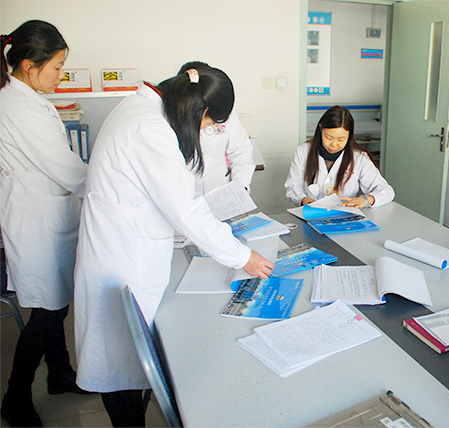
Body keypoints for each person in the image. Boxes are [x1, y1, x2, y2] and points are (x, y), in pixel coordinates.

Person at [73, 62, 273, 427]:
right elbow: (185, 210)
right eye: (208, 123)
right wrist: (242, 256)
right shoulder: (150, 129)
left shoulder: (142, 110)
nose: (206, 131)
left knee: (124, 359)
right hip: (123, 258)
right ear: (200, 108)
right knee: (121, 363)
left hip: (122, 246)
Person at [0, 20, 90, 427]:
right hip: (35, 221)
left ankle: (60, 375)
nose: (60, 74)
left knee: (55, 304)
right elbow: (65, 168)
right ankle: (15, 398)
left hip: (46, 215)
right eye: (56, 66)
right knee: (47, 312)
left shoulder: (26, 99)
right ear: (28, 65)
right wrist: (109, 184)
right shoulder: (19, 108)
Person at [285, 105, 394, 208]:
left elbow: (386, 191)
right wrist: (303, 199)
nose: (334, 144)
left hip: (345, 213)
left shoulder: (359, 157)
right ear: (320, 128)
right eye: (329, 137)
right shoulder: (303, 151)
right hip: (311, 213)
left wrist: (366, 199)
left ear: (349, 135)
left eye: (341, 139)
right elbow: (293, 186)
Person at [178, 62, 256, 195]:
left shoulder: (222, 110)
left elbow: (240, 150)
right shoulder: (169, 118)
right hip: (186, 194)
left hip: (220, 192)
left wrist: (240, 186)